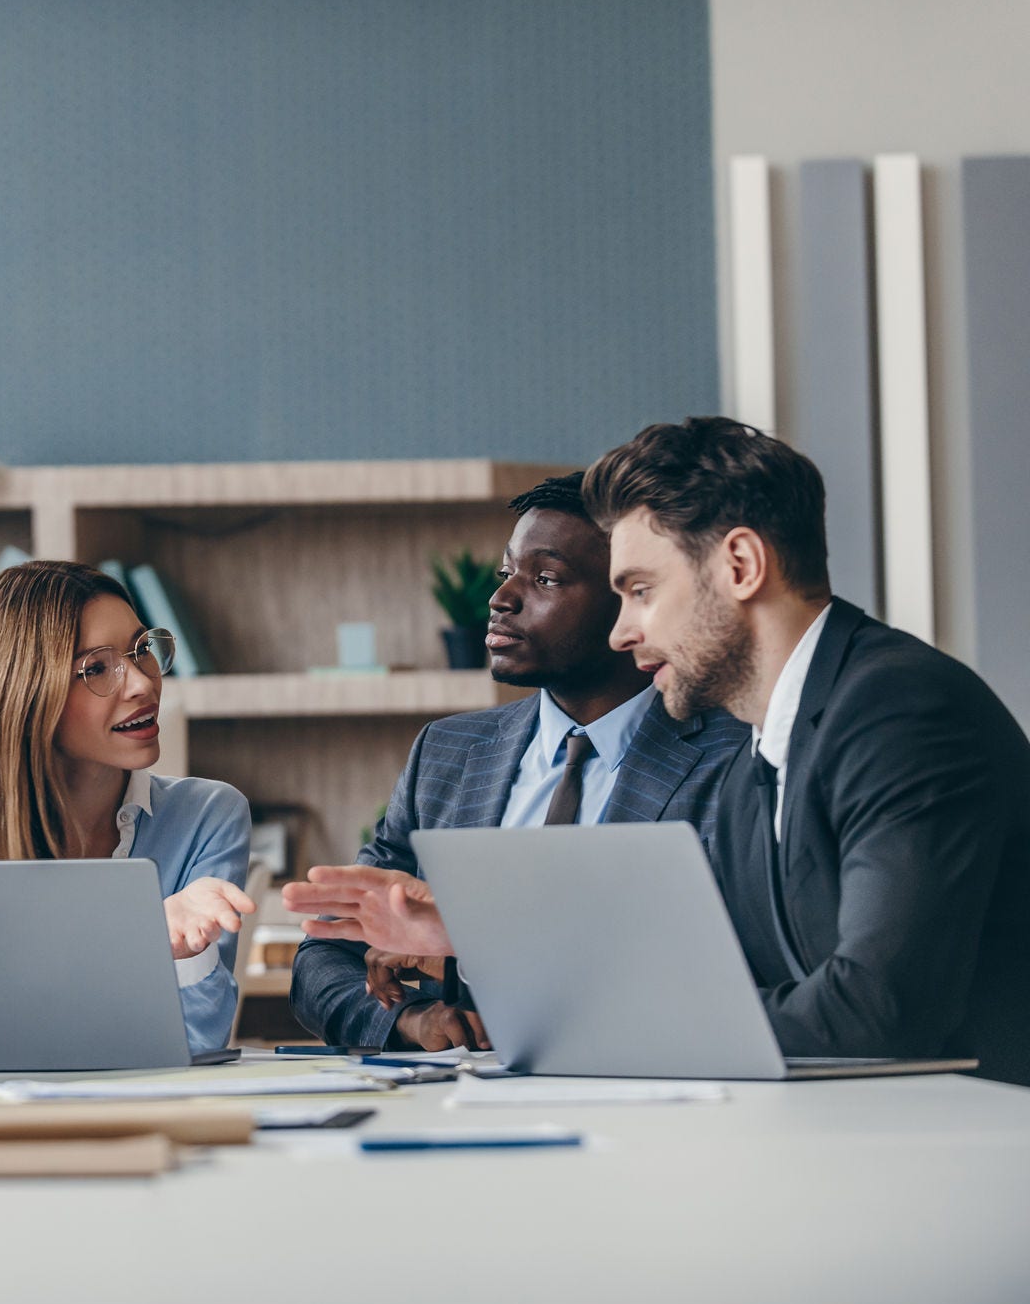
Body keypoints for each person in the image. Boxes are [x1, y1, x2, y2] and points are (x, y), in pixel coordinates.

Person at [304, 418, 1030, 1085]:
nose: (623, 634)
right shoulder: (774, 735)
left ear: (741, 565)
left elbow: (878, 1011)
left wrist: (591, 1028)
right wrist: (474, 932)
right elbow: (729, 965)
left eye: (641, 590)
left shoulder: (898, 710)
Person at [289, 472, 748, 1051]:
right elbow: (326, 958)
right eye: (508, 572)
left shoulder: (735, 757)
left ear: (632, 599)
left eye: (546, 578)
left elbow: (720, 969)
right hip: (469, 1109)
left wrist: (470, 941)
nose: (501, 599)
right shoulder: (448, 754)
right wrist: (411, 1020)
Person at [0, 561, 256, 1053]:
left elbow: (197, 1040)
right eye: (97, 668)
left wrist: (184, 953)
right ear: (22, 693)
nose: (143, 684)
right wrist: (137, 942)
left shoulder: (208, 817)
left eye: (142, 649)